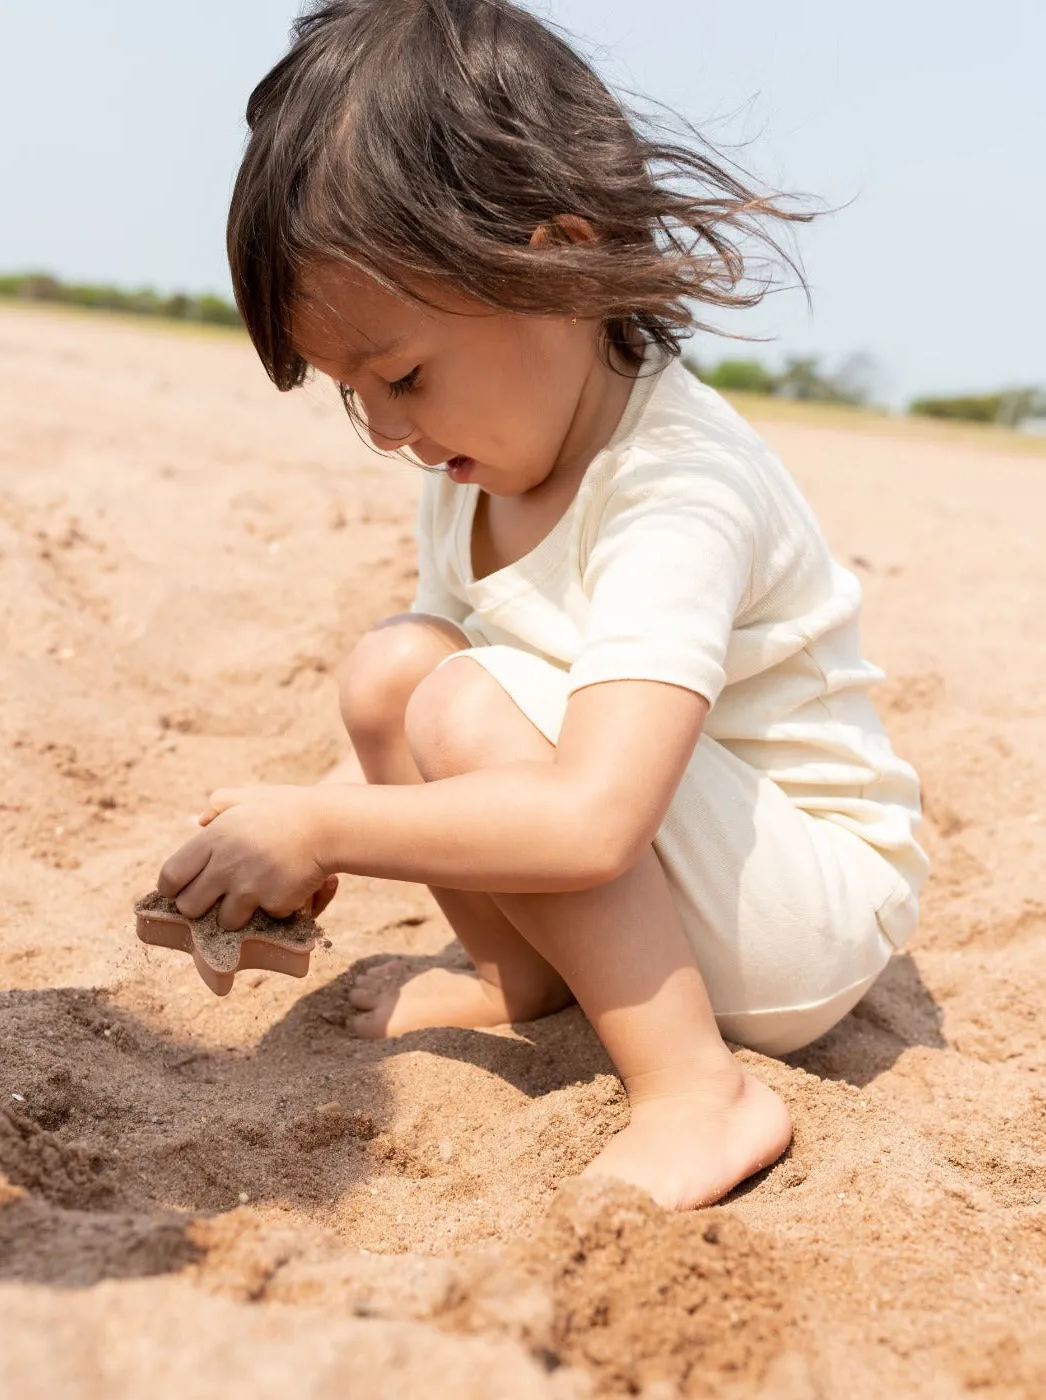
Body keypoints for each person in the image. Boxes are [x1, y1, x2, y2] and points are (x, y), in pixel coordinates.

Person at [157, 0, 927, 1209]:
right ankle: (519, 972)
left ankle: (698, 1092)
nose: (389, 430)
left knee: (462, 694)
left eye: (402, 373)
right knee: (395, 671)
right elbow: (455, 729)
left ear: (558, 259)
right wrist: (308, 830)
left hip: (796, 913)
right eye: (352, 393)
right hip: (667, 864)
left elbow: (588, 821)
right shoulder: (477, 456)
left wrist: (325, 824)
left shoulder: (677, 483)